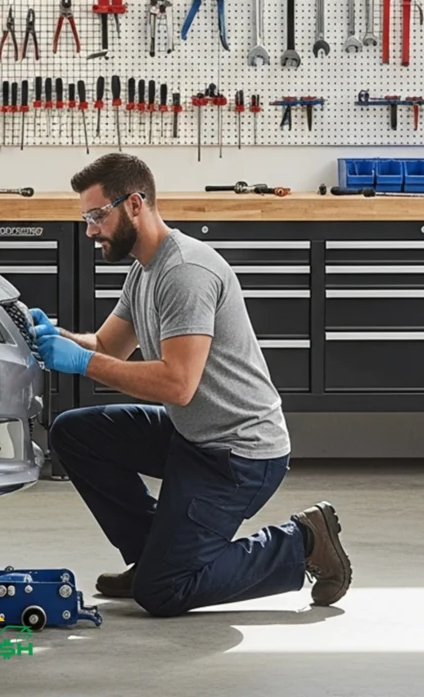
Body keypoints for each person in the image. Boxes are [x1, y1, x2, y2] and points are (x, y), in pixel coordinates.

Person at [30, 152, 352, 618]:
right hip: (194, 436)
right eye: (86, 217)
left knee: (164, 594)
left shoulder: (184, 271)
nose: (90, 230)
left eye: (97, 215)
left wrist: (81, 363)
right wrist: (54, 334)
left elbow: (178, 384)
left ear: (135, 204)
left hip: (238, 455)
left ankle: (303, 541)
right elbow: (107, 345)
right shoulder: (145, 269)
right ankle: (157, 556)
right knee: (75, 433)